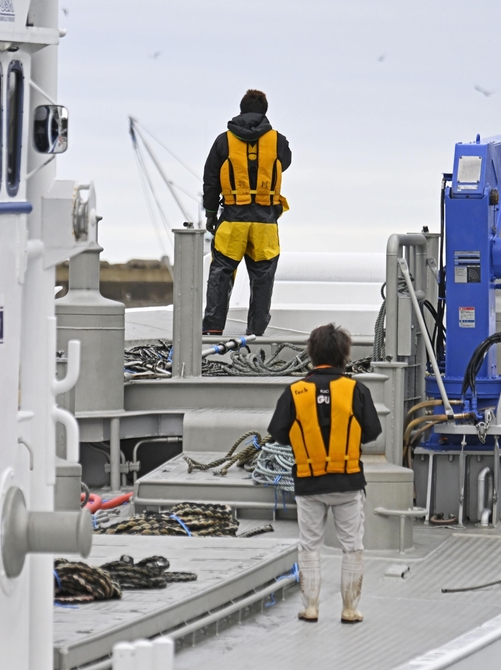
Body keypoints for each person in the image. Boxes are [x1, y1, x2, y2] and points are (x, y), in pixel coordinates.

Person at [267, 324, 382, 623]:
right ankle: (349, 608)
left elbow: (278, 433)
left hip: (309, 484)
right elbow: (372, 432)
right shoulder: (357, 390)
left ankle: (311, 607)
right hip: (348, 483)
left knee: (309, 546)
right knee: (352, 547)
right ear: (345, 354)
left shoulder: (295, 391)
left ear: (311, 353)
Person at [201, 89, 291, 337]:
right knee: (262, 280)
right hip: (265, 224)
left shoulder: (223, 141)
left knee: (221, 275)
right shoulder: (279, 141)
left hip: (232, 220)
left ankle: (211, 330)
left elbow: (210, 180)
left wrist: (210, 214)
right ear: (265, 111)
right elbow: (285, 162)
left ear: (241, 109)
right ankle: (256, 335)